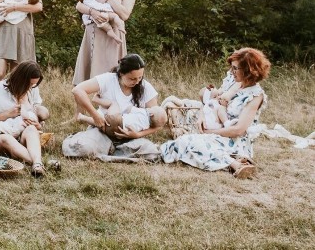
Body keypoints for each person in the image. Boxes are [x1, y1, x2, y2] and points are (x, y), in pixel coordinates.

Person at [160, 48, 270, 179]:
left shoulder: (255, 95)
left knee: (188, 141)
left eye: (235, 68)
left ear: (248, 71)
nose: (231, 71)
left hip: (231, 137)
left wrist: (209, 132)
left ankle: (233, 162)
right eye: (231, 67)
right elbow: (213, 101)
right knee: (179, 106)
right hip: (215, 120)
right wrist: (201, 116)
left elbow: (238, 130)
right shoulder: (233, 80)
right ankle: (202, 140)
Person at [63, 54, 164, 160]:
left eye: (140, 77)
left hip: (129, 137)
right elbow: (77, 90)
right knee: (84, 149)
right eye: (132, 78)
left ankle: (109, 150)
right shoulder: (108, 79)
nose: (137, 81)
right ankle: (113, 150)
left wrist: (137, 135)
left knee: (152, 153)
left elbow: (157, 123)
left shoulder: (145, 87)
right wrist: (95, 115)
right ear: (121, 74)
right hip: (102, 130)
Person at [72, 0, 137, 85]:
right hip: (93, 31)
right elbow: (80, 4)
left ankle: (107, 104)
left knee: (108, 77)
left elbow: (124, 14)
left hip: (111, 34)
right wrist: (93, 12)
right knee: (83, 80)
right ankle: (82, 104)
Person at [0, 61, 50, 176]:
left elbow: (37, 112)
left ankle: (36, 164)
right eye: (29, 84)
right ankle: (38, 163)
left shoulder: (33, 89)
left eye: (34, 85)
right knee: (5, 139)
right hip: (4, 137)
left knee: (32, 129)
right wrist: (7, 114)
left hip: (24, 135)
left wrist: (38, 124)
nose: (31, 87)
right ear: (20, 79)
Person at [76, 94, 167, 136]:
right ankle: (82, 117)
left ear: (150, 114)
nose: (149, 108)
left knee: (114, 104)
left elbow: (129, 109)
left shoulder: (143, 112)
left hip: (118, 120)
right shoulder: (146, 127)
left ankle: (96, 100)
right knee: (103, 124)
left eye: (152, 108)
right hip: (118, 133)